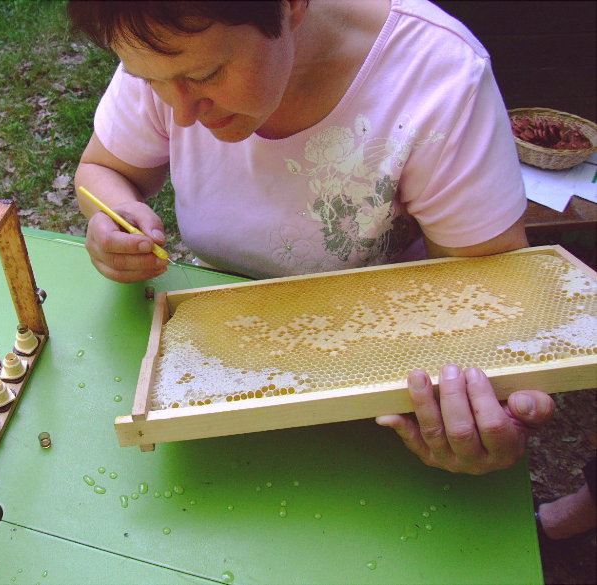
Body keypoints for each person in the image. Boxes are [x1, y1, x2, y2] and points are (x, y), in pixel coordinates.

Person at [68, 0, 556, 474]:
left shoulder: (437, 78)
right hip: (219, 363)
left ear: (290, 6)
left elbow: (490, 293)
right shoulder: (162, 41)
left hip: (385, 385)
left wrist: (473, 414)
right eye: (147, 80)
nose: (181, 114)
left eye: (204, 76)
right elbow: (103, 170)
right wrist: (114, 215)